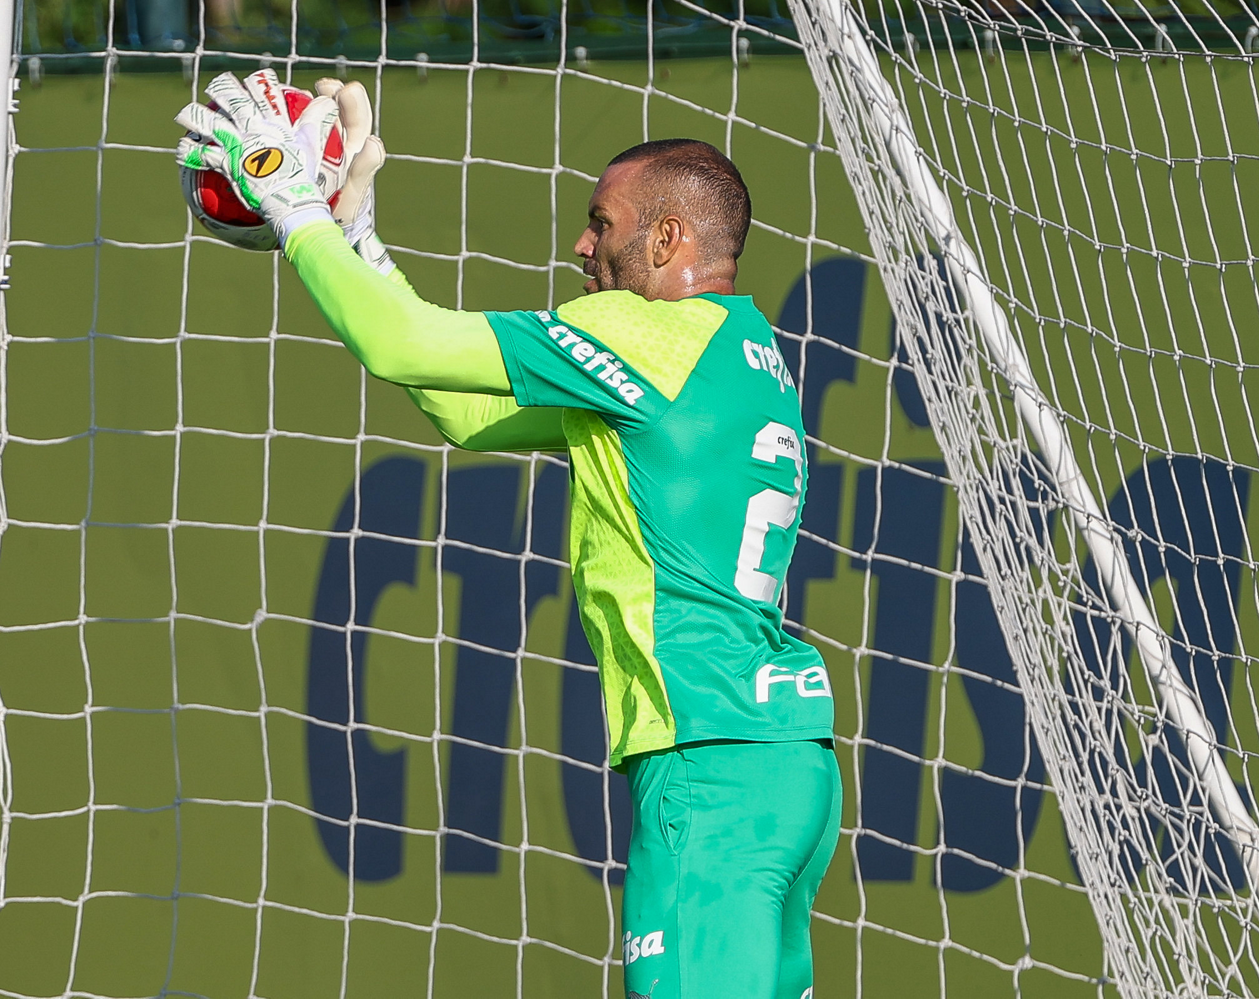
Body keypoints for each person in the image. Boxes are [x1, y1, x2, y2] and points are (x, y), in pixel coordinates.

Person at [176, 70, 842, 999]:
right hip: (789, 763)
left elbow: (402, 344)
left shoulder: (641, 335)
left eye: (601, 224)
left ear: (667, 238)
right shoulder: (741, 349)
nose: (582, 245)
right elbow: (466, 412)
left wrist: (296, 209)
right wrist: (359, 241)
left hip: (707, 764)